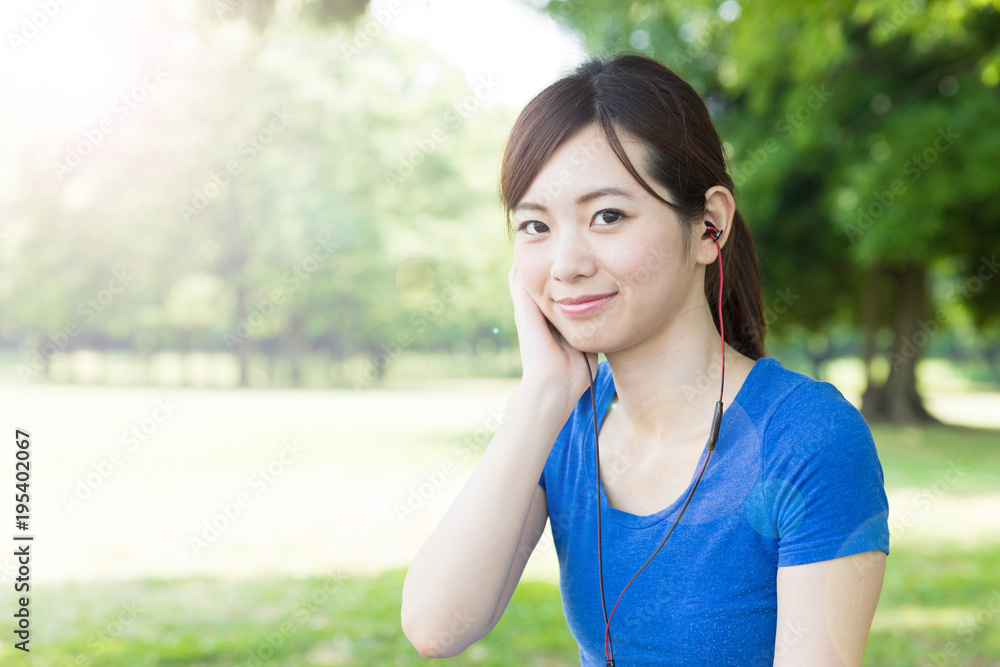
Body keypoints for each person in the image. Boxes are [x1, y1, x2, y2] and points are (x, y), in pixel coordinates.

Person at [401, 52, 889, 666]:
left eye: (607, 216)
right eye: (534, 226)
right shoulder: (564, 426)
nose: (566, 264)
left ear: (709, 226)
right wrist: (540, 398)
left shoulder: (805, 438)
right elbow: (435, 627)